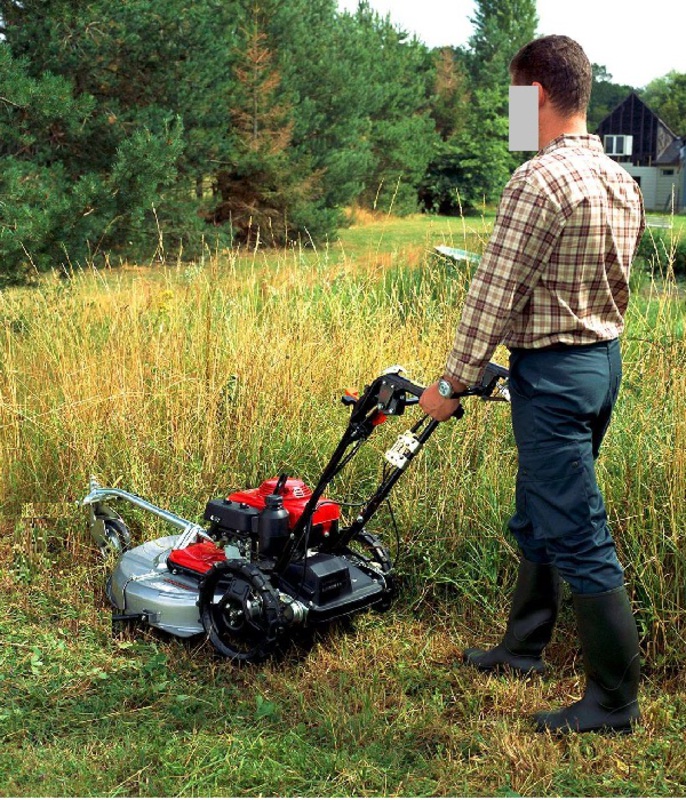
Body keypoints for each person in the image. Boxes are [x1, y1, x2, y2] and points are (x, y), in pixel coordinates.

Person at [419, 34, 645, 734]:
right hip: (599, 364)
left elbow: (494, 292)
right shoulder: (617, 178)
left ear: (537, 97)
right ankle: (523, 647)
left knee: (577, 530)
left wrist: (450, 382)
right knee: (543, 508)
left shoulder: (538, 180)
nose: (514, 111)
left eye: (516, 99)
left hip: (552, 375)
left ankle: (613, 702)